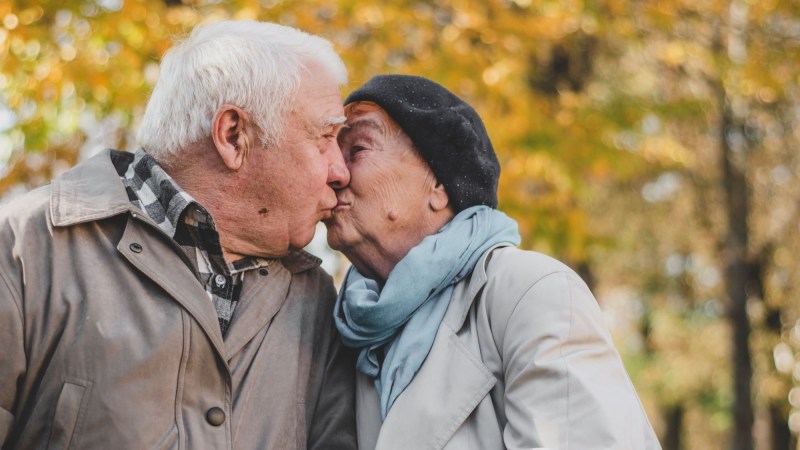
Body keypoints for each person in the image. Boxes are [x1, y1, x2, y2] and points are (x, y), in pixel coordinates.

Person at [0, 20, 357, 449]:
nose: (341, 171)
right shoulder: (25, 247)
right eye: (325, 137)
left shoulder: (316, 299)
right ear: (232, 136)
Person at [324, 74, 662, 449]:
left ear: (438, 185)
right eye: (331, 155)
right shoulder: (344, 329)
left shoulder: (531, 292)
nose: (333, 173)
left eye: (357, 150)